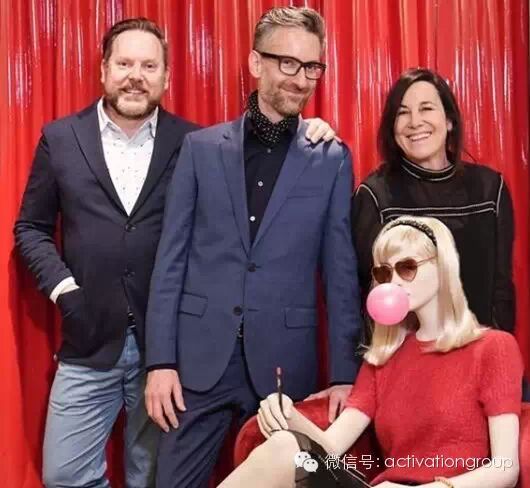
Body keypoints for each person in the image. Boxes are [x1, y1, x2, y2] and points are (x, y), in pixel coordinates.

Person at [13, 14, 339, 488]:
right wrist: (66, 293)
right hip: (92, 337)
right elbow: (31, 228)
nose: (135, 76)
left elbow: (264, 169)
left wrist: (311, 129)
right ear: (103, 69)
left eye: (149, 66)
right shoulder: (63, 138)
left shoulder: (192, 142)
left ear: (166, 77)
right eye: (124, 63)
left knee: (150, 477)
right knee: (65, 474)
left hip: (170, 345)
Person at [144, 6, 363, 488]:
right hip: (198, 362)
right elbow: (171, 260)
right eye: (287, 63)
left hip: (285, 365)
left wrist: (345, 375)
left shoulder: (330, 158)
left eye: (312, 67)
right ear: (255, 62)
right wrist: (160, 361)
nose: (300, 79)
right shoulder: (201, 149)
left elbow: (341, 274)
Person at [219, 216, 523, 488]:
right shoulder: (384, 358)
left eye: (407, 267)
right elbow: (330, 449)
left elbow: (505, 470)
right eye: (384, 273)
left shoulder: (493, 347)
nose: (394, 282)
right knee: (285, 445)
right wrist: (287, 414)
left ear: (442, 266)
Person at [351, 68, 515, 333]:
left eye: (426, 108)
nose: (415, 122)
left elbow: (501, 290)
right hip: (407, 354)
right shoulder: (375, 195)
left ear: (449, 120)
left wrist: (497, 349)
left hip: (479, 348)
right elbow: (365, 293)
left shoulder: (489, 189)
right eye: (402, 112)